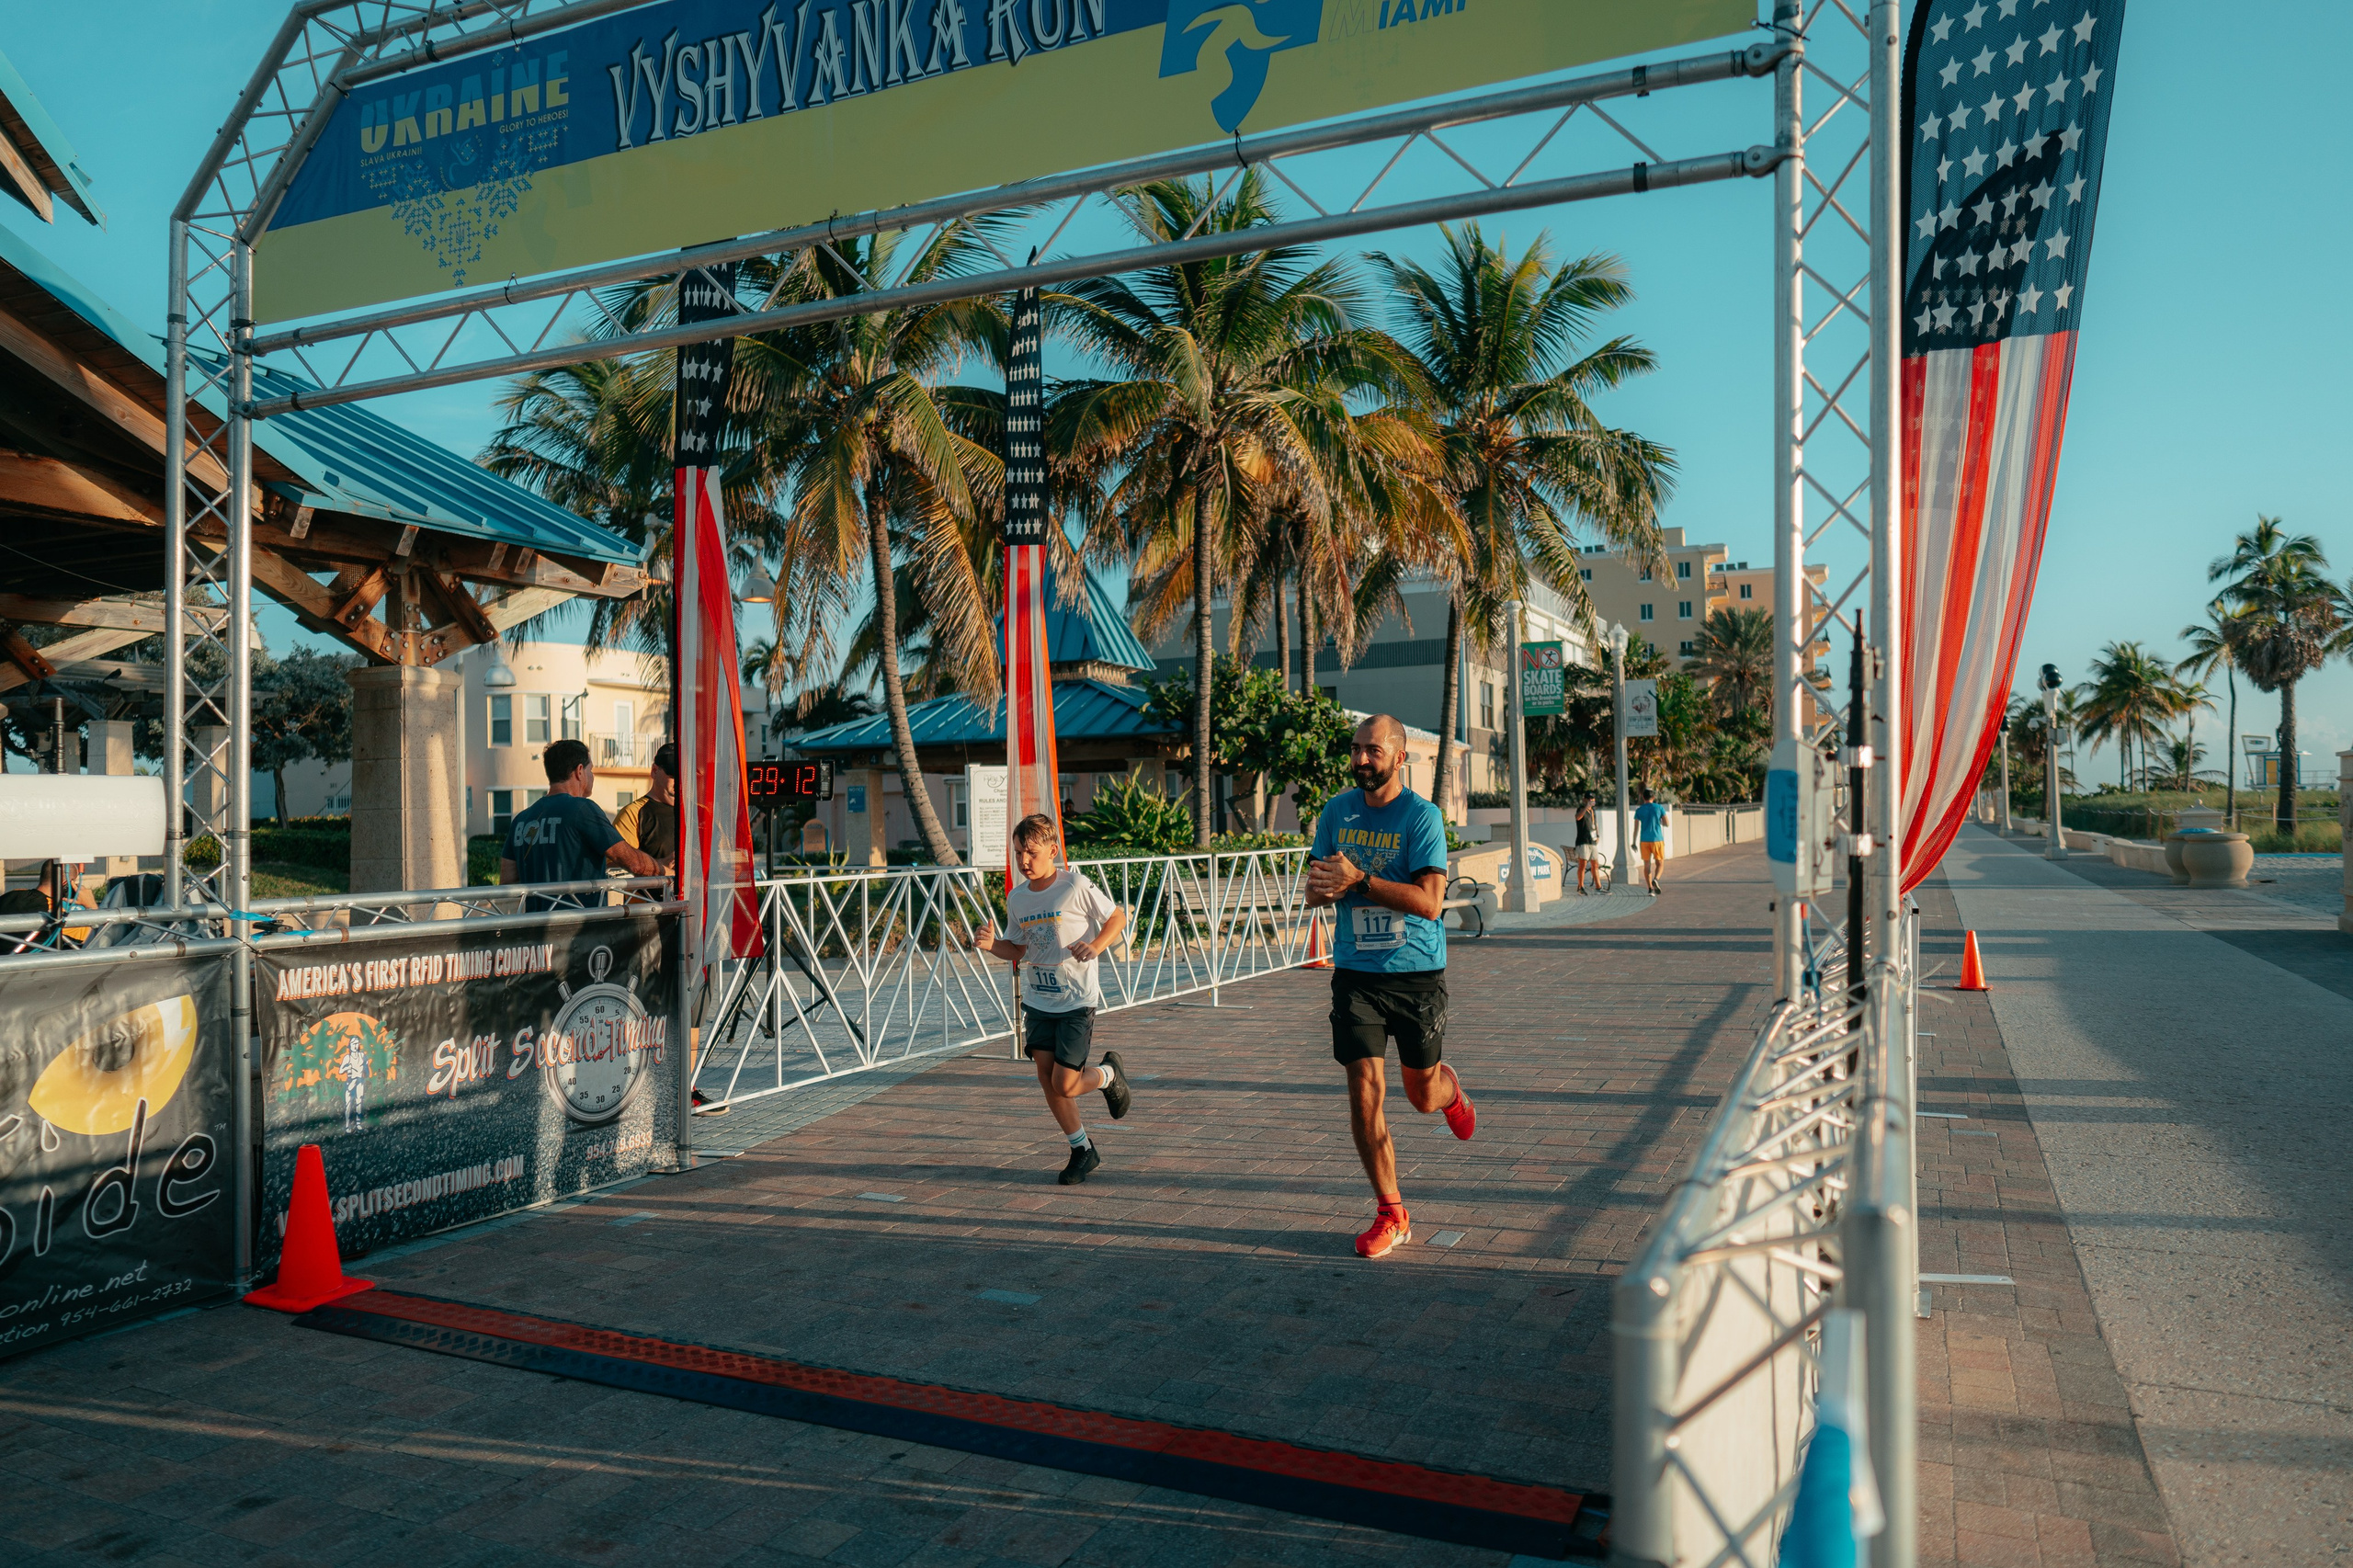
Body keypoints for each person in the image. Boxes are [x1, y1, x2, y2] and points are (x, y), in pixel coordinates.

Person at [1305, 714, 1476, 1261]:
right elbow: (1313, 890)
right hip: (1356, 974)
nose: (1361, 759)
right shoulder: (1337, 812)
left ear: (1400, 757)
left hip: (1415, 974)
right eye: (1356, 748)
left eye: (1373, 750)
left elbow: (1430, 902)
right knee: (1364, 1089)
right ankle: (1391, 1211)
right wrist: (1326, 887)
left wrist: (1359, 880)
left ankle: (1449, 1091)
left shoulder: (1422, 817)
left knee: (1421, 1095)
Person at [971, 813, 1134, 1185]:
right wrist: (992, 944)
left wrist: (1095, 946)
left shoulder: (1074, 885)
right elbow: (1017, 949)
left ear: (1052, 850)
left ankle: (1109, 1075)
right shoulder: (1017, 898)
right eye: (1018, 853)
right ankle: (1082, 1149)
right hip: (1039, 1000)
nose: (1024, 860)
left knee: (1066, 1083)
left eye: (1031, 852)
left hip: (1076, 1001)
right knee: (1048, 1080)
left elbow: (1117, 917)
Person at [499, 738, 665, 911]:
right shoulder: (583, 809)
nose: (592, 776)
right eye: (590, 770)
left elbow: (508, 881)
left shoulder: (521, 820)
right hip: (580, 923)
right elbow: (632, 862)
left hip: (535, 923)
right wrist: (664, 868)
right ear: (579, 771)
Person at [612, 742, 679, 868]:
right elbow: (614, 870)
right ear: (654, 771)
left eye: (685, 777)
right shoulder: (633, 814)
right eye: (673, 775)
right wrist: (659, 866)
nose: (680, 783)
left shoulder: (700, 812)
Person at [1632, 787, 1669, 894]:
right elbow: (1667, 823)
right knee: (1660, 863)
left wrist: (1634, 842)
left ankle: (1650, 889)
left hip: (1644, 840)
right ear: (1653, 797)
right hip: (1657, 839)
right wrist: (1659, 822)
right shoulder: (1659, 808)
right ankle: (1656, 879)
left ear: (1643, 798)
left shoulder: (1639, 810)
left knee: (1647, 865)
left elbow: (1636, 828)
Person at [1573, 792, 1602, 894]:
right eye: (1589, 799)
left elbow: (1595, 824)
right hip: (1583, 841)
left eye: (1592, 799)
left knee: (1595, 864)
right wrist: (1586, 807)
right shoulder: (1581, 809)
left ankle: (1598, 887)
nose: (1591, 801)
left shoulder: (1593, 811)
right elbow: (1578, 817)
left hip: (1592, 841)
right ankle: (1581, 887)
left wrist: (1598, 835)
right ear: (1584, 799)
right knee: (1583, 864)